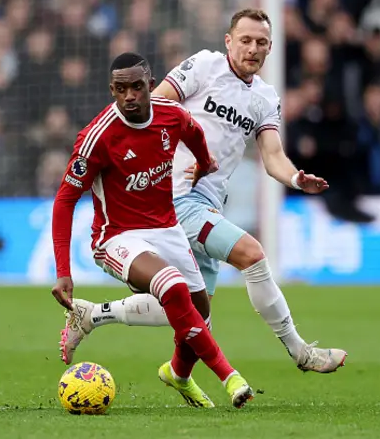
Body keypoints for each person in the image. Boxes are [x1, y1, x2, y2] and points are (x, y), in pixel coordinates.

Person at [63, 9, 347, 375]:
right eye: (245, 40)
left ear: (270, 47)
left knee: (193, 311)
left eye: (261, 42)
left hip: (210, 203)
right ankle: (301, 352)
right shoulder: (204, 65)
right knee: (252, 254)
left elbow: (273, 155)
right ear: (229, 41)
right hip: (177, 196)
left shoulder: (264, 97)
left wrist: (295, 179)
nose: (252, 49)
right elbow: (156, 106)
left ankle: (96, 317)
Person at [51, 52, 253, 409]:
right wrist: (63, 272)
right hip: (116, 237)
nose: (129, 96)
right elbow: (65, 200)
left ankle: (178, 373)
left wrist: (205, 164)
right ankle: (229, 376)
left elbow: (194, 134)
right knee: (172, 286)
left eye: (137, 87)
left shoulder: (171, 116)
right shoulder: (97, 137)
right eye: (120, 89)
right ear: (112, 90)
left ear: (150, 83)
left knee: (200, 309)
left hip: (166, 227)